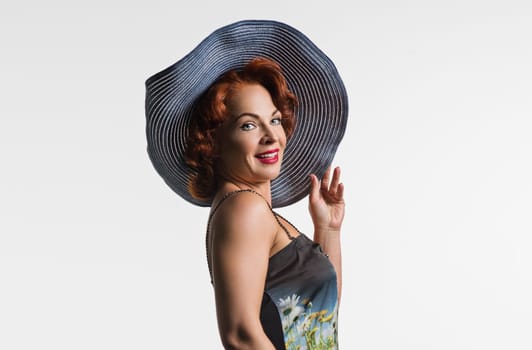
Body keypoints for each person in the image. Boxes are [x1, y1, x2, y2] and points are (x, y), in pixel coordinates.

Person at [145, 20, 349, 350]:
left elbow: (318, 320)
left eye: (275, 119)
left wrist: (328, 229)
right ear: (213, 142)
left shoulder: (255, 211)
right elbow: (240, 335)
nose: (271, 136)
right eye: (249, 124)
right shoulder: (244, 208)